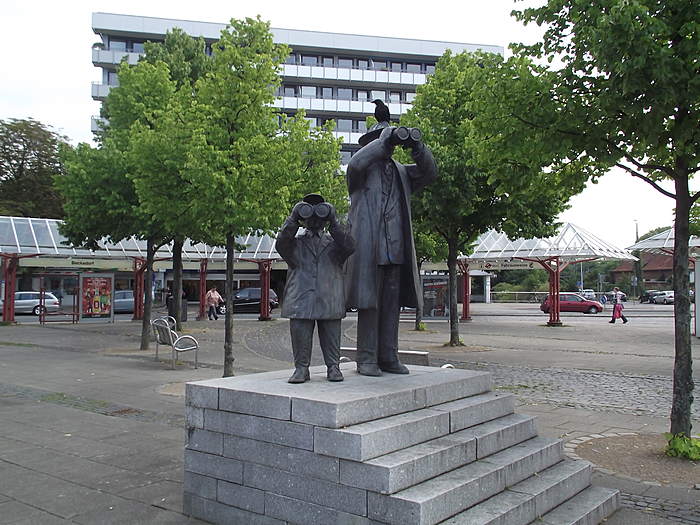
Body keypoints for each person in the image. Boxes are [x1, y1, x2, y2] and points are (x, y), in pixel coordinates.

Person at [345, 123, 437, 376]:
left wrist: (417, 147)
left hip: (395, 247)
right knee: (370, 304)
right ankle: (366, 359)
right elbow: (354, 165)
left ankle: (388, 356)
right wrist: (384, 141)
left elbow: (429, 173)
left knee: (391, 305)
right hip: (370, 248)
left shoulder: (402, 172)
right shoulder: (361, 172)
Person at [275, 194, 355, 383]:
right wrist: (294, 217)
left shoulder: (335, 245)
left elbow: (350, 245)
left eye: (319, 212)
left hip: (329, 297)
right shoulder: (293, 245)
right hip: (301, 298)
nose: (314, 218)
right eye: (309, 212)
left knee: (331, 334)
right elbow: (281, 242)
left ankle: (333, 367)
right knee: (300, 334)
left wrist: (334, 220)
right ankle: (301, 368)